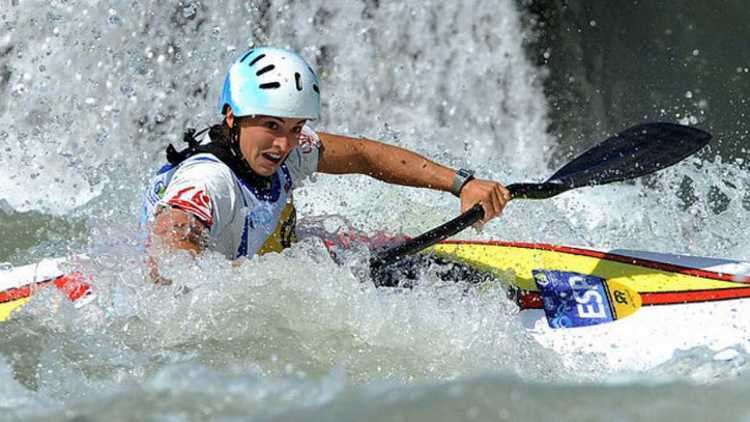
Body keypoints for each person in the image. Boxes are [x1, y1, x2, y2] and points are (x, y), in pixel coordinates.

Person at [142, 47, 510, 281]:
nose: (283, 144)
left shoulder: (287, 148)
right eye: (271, 126)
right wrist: (268, 282)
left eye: (295, 127)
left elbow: (365, 155)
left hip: (264, 255)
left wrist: (462, 184)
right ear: (231, 117)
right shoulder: (208, 182)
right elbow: (168, 261)